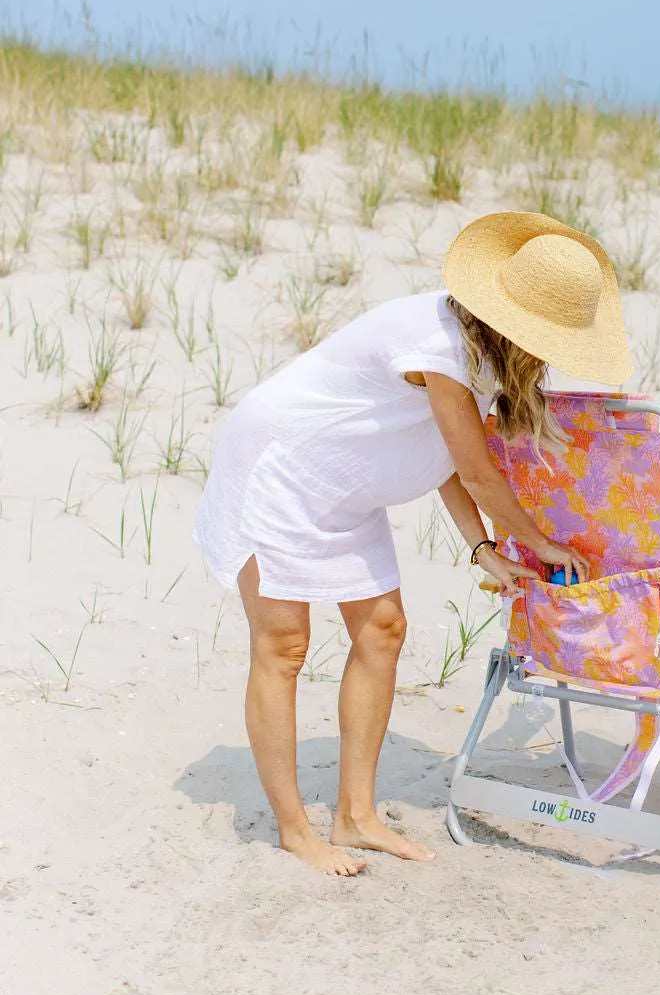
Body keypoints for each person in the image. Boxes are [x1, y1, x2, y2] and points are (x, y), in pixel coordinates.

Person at [193, 212, 631, 876]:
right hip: (283, 468)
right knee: (283, 647)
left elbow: (447, 457)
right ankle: (294, 830)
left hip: (344, 486)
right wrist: (538, 544)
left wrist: (484, 547)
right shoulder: (439, 344)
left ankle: (356, 816)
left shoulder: (480, 352)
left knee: (383, 631)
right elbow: (480, 471)